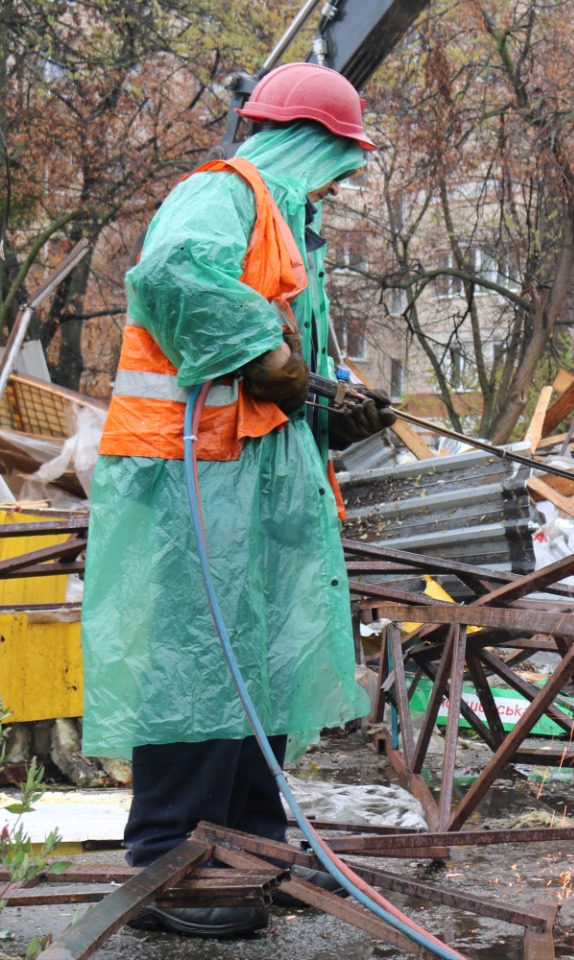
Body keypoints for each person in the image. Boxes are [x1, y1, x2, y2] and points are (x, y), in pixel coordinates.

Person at [80, 63, 395, 939]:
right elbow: (175, 275)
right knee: (199, 658)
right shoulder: (223, 193)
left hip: (252, 475)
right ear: (309, 140)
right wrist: (270, 360)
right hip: (196, 473)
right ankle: (171, 867)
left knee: (257, 662)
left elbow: (282, 364)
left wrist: (330, 401)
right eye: (339, 157)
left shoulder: (290, 226)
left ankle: (250, 850)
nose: (340, 178)